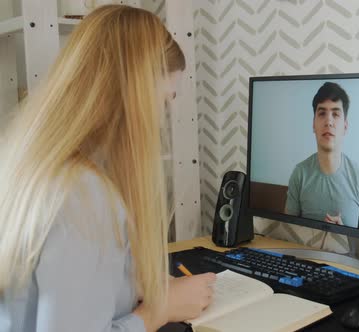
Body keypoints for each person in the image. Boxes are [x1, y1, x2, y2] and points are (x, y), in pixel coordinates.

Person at [0, 5, 215, 332]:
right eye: (166, 100)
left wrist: (127, 282)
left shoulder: (31, 164)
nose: (161, 121)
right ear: (138, 97)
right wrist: (159, 311)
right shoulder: (84, 196)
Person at [285, 82, 359, 233]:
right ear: (313, 124)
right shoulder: (299, 173)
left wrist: (345, 236)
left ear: (345, 126)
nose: (328, 121)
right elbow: (286, 234)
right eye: (322, 113)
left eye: (335, 114)